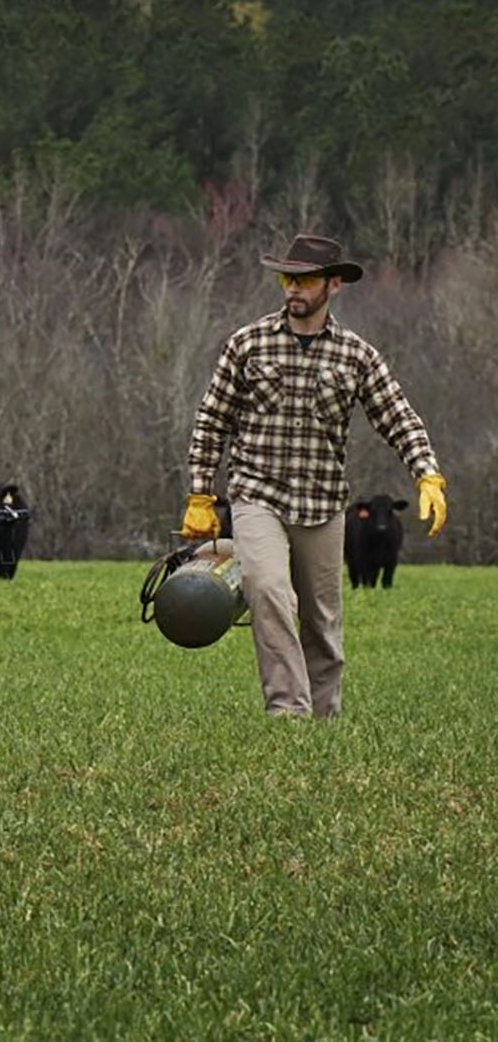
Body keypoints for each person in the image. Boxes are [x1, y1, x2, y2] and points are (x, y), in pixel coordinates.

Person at [182, 233, 447, 718]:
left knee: (322, 622)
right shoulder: (247, 344)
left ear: (332, 285)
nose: (292, 289)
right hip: (257, 495)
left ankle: (324, 723)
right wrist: (201, 495)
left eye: (304, 280)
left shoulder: (357, 356)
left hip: (323, 505)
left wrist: (427, 475)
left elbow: (398, 417)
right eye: (287, 278)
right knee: (268, 591)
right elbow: (211, 420)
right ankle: (288, 713)